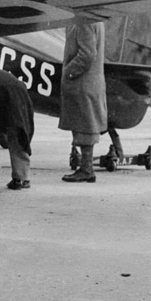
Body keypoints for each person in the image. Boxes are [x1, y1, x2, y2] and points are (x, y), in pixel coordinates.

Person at [58, 17, 107, 183]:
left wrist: (68, 72)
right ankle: (86, 168)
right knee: (85, 124)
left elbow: (87, 54)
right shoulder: (96, 19)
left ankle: (87, 169)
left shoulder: (84, 21)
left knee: (85, 125)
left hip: (82, 82)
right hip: (89, 82)